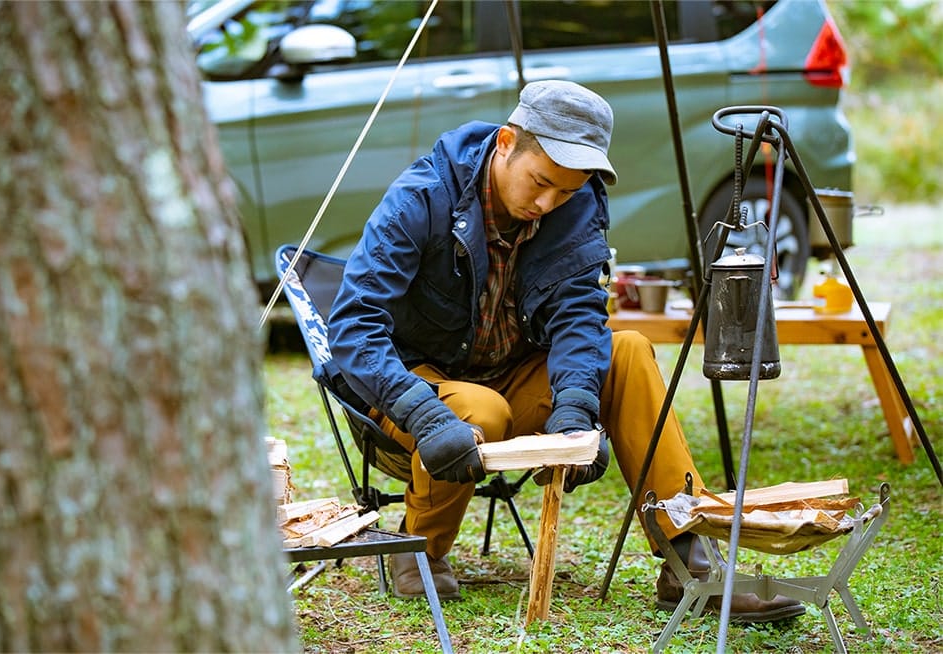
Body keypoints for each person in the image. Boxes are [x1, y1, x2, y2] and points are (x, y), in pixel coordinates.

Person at [326, 80, 803, 621]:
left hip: (512, 374)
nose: (547, 203)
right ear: (506, 142)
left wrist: (575, 406)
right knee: (481, 408)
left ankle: (688, 556)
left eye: (566, 192)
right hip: (418, 389)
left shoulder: (576, 206)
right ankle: (421, 548)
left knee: (629, 351)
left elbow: (580, 315)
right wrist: (419, 411)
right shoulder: (423, 196)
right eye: (541, 183)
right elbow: (352, 324)